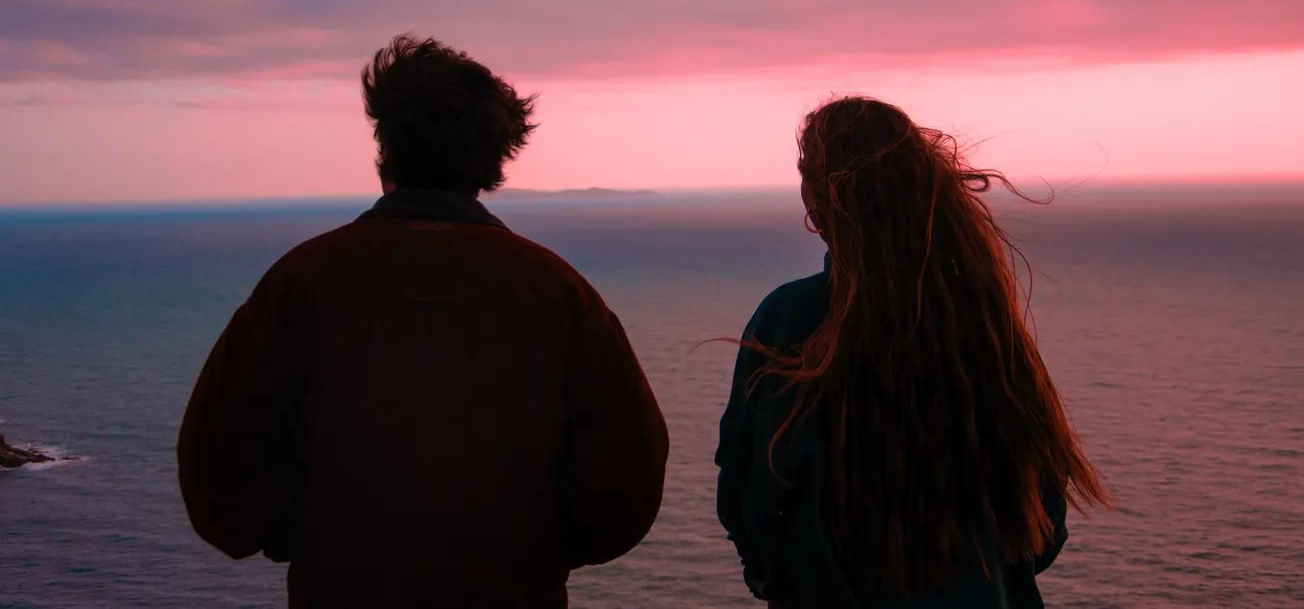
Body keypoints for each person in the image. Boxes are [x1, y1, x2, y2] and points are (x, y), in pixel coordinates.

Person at [177, 35, 669, 608]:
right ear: (496, 157)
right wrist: (544, 547)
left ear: (385, 146)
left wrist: (296, 533)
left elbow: (218, 455)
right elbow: (629, 465)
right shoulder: (556, 291)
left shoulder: (302, 281)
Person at [715, 96, 1108, 608]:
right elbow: (1043, 517)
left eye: (804, 171)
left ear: (821, 197)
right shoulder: (980, 322)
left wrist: (781, 578)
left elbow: (747, 495)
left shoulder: (790, 319)